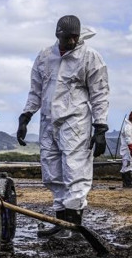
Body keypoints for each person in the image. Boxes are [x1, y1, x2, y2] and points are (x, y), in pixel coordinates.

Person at [16, 15, 111, 239]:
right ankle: (60, 222)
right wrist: (26, 115)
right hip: (48, 121)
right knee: (52, 170)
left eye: (75, 38)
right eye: (67, 38)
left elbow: (100, 94)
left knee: (75, 170)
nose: (71, 42)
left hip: (75, 121)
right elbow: (36, 90)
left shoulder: (89, 57)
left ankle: (74, 225)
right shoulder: (45, 56)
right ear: (58, 35)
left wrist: (100, 127)